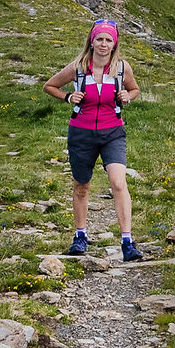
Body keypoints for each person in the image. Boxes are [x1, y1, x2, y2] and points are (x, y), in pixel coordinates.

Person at [43, 19, 144, 261]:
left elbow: (135, 89)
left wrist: (127, 96)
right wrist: (68, 97)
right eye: (99, 39)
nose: (103, 44)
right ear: (92, 40)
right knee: (82, 186)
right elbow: (49, 86)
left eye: (109, 40)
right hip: (81, 133)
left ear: (115, 43)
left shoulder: (121, 68)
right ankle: (80, 237)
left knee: (119, 184)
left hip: (113, 132)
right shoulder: (78, 67)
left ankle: (127, 243)